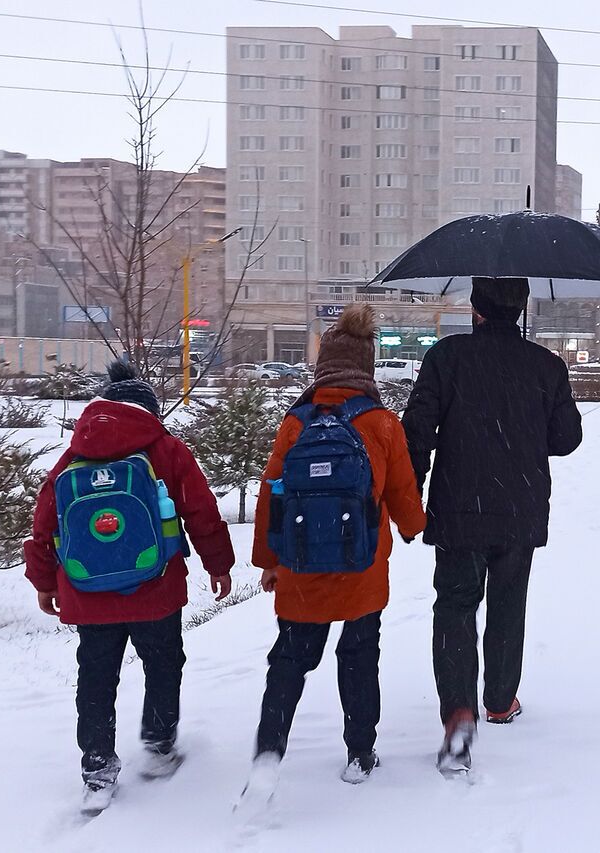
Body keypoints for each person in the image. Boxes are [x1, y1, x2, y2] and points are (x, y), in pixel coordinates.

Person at [24, 359, 234, 814]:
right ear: (149, 411)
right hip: (156, 588)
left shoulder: (73, 455)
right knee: (163, 663)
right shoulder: (166, 449)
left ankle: (97, 769)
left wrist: (43, 581)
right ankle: (158, 745)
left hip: (89, 591)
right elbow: (200, 510)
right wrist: (218, 564)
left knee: (96, 677)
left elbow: (44, 524)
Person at [242, 304, 426, 805]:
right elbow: (402, 491)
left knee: (289, 661)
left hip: (301, 566)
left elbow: (271, 494)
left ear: (322, 365)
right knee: (360, 657)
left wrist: (269, 561)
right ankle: (360, 754)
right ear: (367, 366)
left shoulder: (296, 422)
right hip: (362, 565)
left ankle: (269, 753)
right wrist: (414, 527)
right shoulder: (382, 423)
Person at [402, 277, 583, 776]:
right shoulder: (547, 366)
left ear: (476, 309)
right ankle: (501, 700)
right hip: (520, 507)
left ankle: (459, 713)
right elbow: (566, 439)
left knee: (456, 605)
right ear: (521, 308)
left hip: (459, 507)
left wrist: (409, 496)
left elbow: (416, 432)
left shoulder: (446, 357)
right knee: (508, 601)